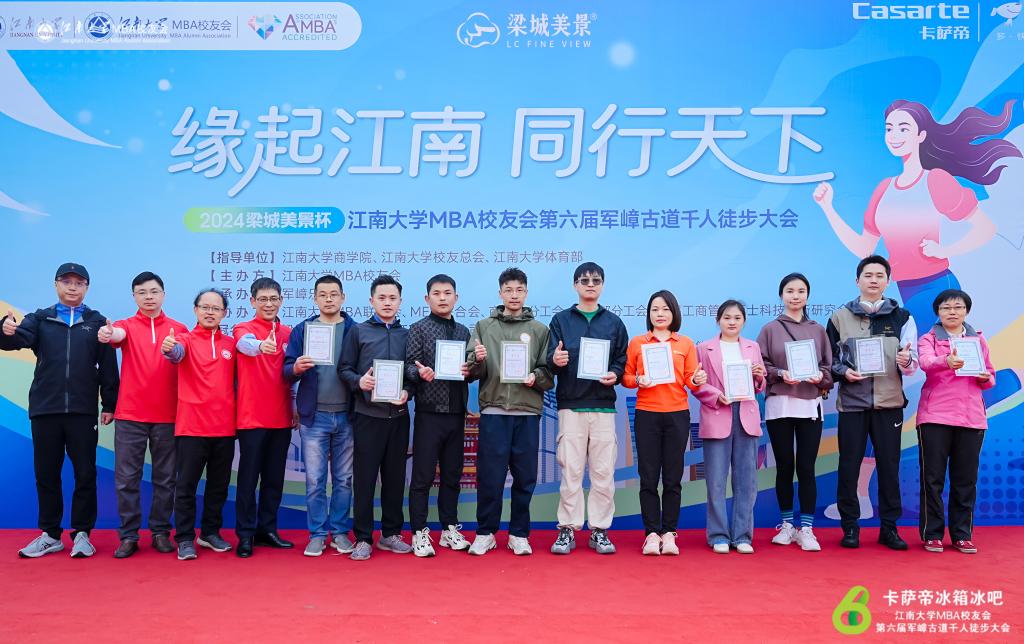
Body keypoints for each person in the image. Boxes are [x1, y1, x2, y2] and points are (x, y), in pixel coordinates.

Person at [813, 99, 1018, 329]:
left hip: (937, 285)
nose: (894, 135)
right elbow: (864, 249)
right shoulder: (884, 189)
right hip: (904, 287)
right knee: (917, 347)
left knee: (919, 344)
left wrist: (945, 250)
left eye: (903, 129)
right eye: (889, 129)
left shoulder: (935, 180)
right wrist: (828, 208)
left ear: (921, 135)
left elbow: (986, 228)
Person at [1, 262, 118, 559]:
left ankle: (82, 534)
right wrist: (5, 329)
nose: (72, 287)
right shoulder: (40, 319)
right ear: (56, 285)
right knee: (46, 474)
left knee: (85, 473)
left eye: (79, 283)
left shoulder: (97, 322)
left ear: (86, 288)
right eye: (67, 282)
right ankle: (50, 534)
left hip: (82, 411)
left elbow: (108, 367)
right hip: (45, 409)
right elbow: (14, 341)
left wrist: (109, 403)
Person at [826, 255, 917, 551]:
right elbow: (829, 361)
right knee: (848, 466)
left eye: (880, 275)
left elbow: (912, 363)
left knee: (889, 467)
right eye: (868, 275)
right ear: (857, 281)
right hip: (852, 404)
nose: (874, 280)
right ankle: (850, 527)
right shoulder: (839, 317)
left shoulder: (902, 317)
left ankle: (889, 528)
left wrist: (907, 360)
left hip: (889, 403)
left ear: (888, 281)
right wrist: (843, 372)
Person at [465, 267, 554, 556]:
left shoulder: (540, 330)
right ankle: (486, 532)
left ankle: (519, 534)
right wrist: (477, 360)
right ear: (500, 293)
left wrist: (535, 377)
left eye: (519, 290)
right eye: (508, 290)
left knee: (525, 478)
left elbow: (548, 373)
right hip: (494, 411)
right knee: (489, 477)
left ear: (526, 292)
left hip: (526, 412)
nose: (514, 295)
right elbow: (470, 372)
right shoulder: (483, 327)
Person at [98, 271, 187, 558]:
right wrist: (109, 334)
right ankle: (129, 535)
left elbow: (182, 354)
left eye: (153, 291)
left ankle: (160, 532)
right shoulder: (126, 325)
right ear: (134, 296)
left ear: (163, 294)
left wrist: (174, 347)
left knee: (165, 479)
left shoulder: (179, 328)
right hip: (130, 415)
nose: (148, 297)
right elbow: (116, 335)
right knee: (126, 479)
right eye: (142, 292)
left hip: (168, 416)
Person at [547, 262, 628, 556]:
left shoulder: (614, 323)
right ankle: (567, 528)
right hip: (571, 406)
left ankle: (600, 530)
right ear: (575, 285)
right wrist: (555, 360)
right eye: (584, 280)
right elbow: (549, 358)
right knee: (571, 471)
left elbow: (622, 359)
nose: (590, 285)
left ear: (602, 285)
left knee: (603, 472)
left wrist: (615, 373)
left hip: (603, 407)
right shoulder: (560, 320)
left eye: (595, 280)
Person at [622, 290, 704, 555]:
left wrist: (697, 380)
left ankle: (669, 533)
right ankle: (651, 534)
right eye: (655, 309)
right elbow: (626, 377)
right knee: (648, 477)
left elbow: (691, 379)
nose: (660, 314)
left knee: (672, 478)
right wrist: (638, 380)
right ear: (648, 314)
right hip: (646, 414)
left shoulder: (685, 344)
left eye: (665, 309)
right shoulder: (638, 343)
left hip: (677, 414)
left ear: (674, 313)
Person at [756, 273, 833, 552]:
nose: (795, 296)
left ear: (808, 295)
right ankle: (787, 525)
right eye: (790, 291)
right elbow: (760, 365)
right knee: (785, 466)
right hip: (780, 404)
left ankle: (807, 529)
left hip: (810, 405)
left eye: (801, 291)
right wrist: (779, 373)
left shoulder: (818, 330)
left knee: (806, 467)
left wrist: (819, 377)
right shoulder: (770, 329)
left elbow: (829, 370)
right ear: (781, 295)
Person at [340, 275, 415, 561]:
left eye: (392, 298)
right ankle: (362, 538)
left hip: (398, 416)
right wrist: (359, 382)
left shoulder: (407, 335)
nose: (387, 303)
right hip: (367, 416)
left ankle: (390, 533)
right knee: (365, 479)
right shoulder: (358, 332)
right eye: (381, 298)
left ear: (400, 302)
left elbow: (412, 375)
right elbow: (344, 369)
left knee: (395, 479)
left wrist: (407, 392)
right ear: (371, 300)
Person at [283, 275, 357, 557]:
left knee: (344, 479)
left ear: (343, 298)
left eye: (334, 294)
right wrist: (296, 368)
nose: (328, 299)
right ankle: (316, 534)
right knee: (315, 480)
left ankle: (339, 532)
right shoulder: (304, 330)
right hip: (314, 418)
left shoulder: (354, 330)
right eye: (323, 294)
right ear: (315, 298)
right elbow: (286, 370)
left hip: (347, 416)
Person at [917, 289, 995, 554]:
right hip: (935, 416)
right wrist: (946, 360)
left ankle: (962, 534)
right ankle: (932, 534)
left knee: (965, 480)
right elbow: (925, 362)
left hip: (971, 417)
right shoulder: (928, 339)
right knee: (932, 479)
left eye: (958, 307)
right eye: (946, 308)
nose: (952, 312)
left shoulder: (978, 340)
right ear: (938, 312)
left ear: (966, 311)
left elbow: (990, 375)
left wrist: (985, 377)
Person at [163, 289, 236, 561]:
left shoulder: (231, 345)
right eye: (205, 307)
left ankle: (210, 532)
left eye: (216, 308)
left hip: (224, 427)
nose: (210, 312)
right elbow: (176, 354)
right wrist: (170, 349)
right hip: (191, 428)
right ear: (195, 310)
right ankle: (184, 538)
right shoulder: (185, 339)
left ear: (224, 313)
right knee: (186, 487)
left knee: (218, 486)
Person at [405, 274, 474, 557]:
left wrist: (471, 370)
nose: (442, 298)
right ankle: (419, 532)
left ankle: (449, 529)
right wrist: (419, 372)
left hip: (456, 414)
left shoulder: (464, 332)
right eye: (436, 293)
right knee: (422, 477)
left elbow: (472, 371)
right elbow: (408, 366)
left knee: (452, 476)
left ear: (456, 298)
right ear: (427, 298)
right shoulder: (418, 329)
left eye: (448, 293)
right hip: (429, 412)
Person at [694, 300, 766, 554]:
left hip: (746, 415)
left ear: (744, 321)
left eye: (737, 317)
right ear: (718, 321)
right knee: (716, 480)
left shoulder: (752, 347)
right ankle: (718, 535)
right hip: (718, 413)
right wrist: (716, 395)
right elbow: (697, 383)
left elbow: (760, 385)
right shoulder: (704, 348)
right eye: (727, 317)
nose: (732, 322)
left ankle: (742, 535)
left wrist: (759, 376)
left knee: (746, 480)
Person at [233, 278, 294, 557]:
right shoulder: (243, 328)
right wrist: (261, 346)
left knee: (274, 480)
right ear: (252, 301)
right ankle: (245, 535)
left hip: (281, 418)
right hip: (251, 419)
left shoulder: (289, 333)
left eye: (273, 299)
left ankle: (267, 530)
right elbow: (244, 345)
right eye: (263, 299)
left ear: (281, 301)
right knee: (248, 480)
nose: (269, 304)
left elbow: (293, 374)